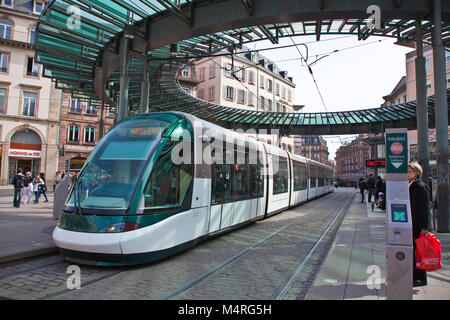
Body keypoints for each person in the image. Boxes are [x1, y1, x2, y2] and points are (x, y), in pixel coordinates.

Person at [408, 162, 431, 287]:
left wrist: (424, 227)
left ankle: (421, 278)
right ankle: (415, 276)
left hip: (418, 226)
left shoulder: (420, 187)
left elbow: (424, 209)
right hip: (412, 224)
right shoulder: (411, 185)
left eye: (410, 171)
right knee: (415, 252)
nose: (408, 174)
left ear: (417, 173)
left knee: (420, 253)